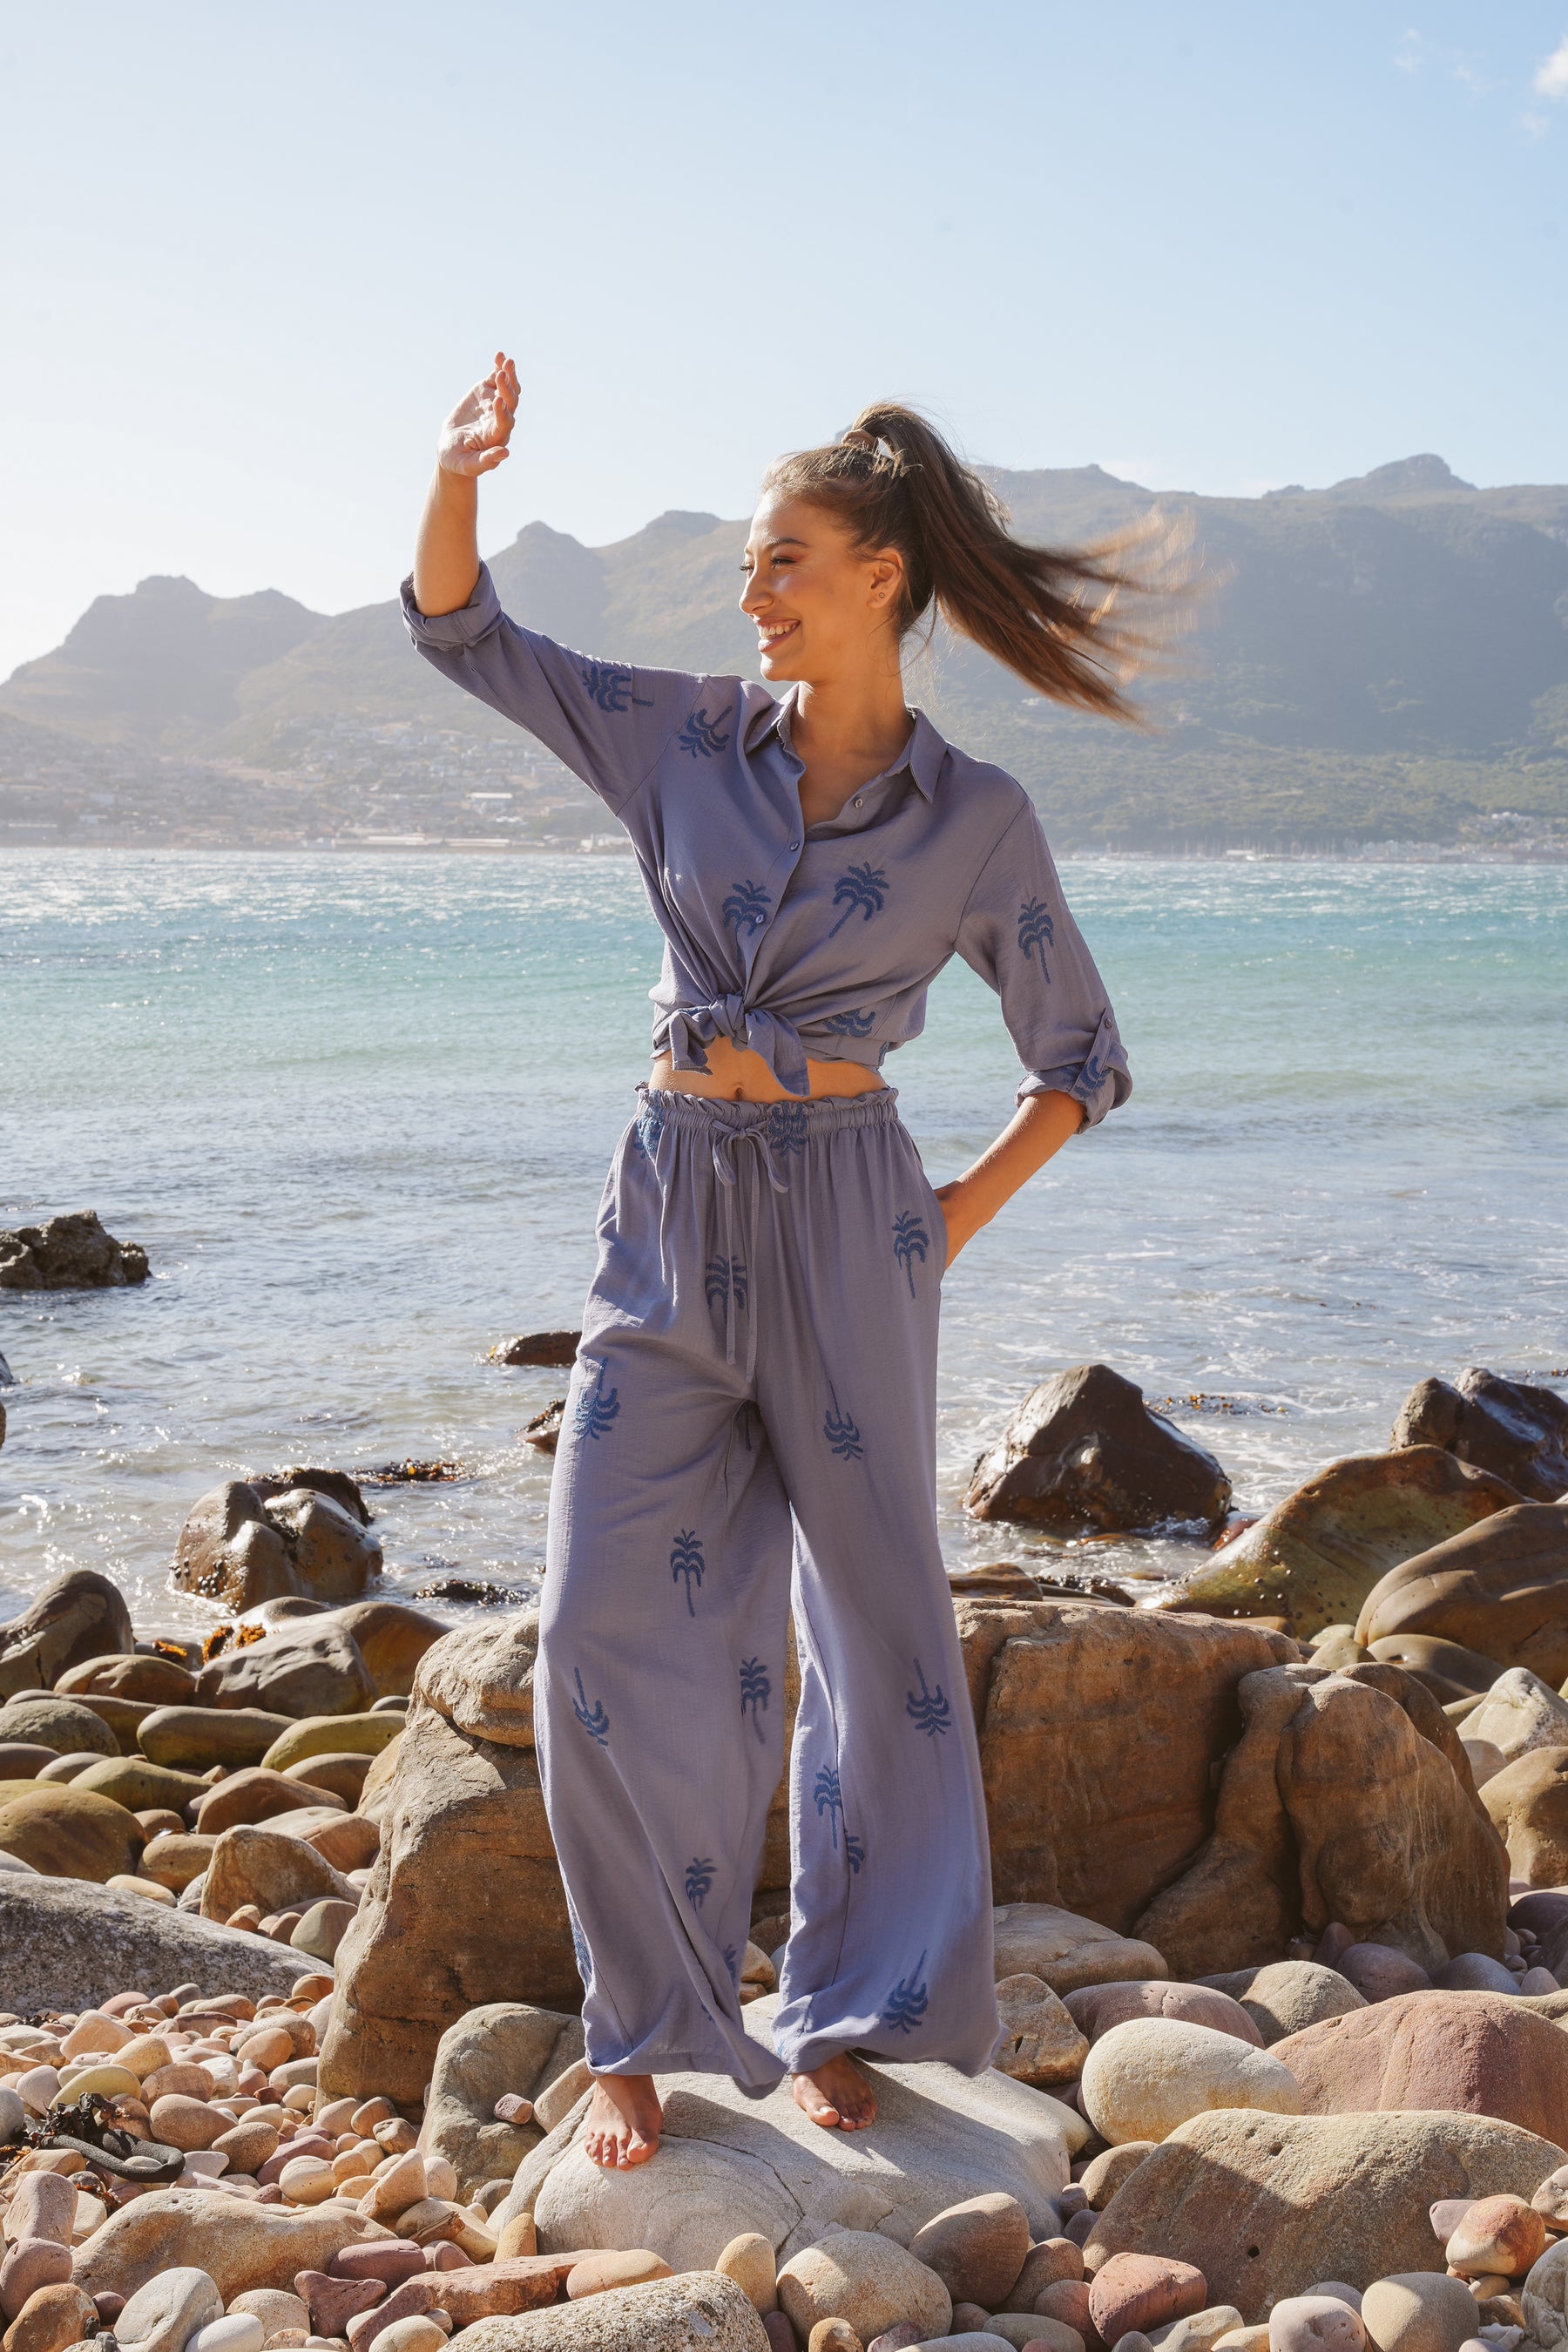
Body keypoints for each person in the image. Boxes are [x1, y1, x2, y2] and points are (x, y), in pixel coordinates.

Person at [406, 353, 1144, 2171]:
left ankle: (849, 2010)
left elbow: (1079, 1058)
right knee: (598, 1621)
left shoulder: (974, 816)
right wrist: (457, 476)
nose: (751, 591)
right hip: (670, 1207)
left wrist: (943, 1224)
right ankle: (650, 2017)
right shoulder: (680, 738)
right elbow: (466, 634)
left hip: (846, 1211)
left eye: (782, 559)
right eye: (749, 563)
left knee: (880, 1632)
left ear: (880, 574)